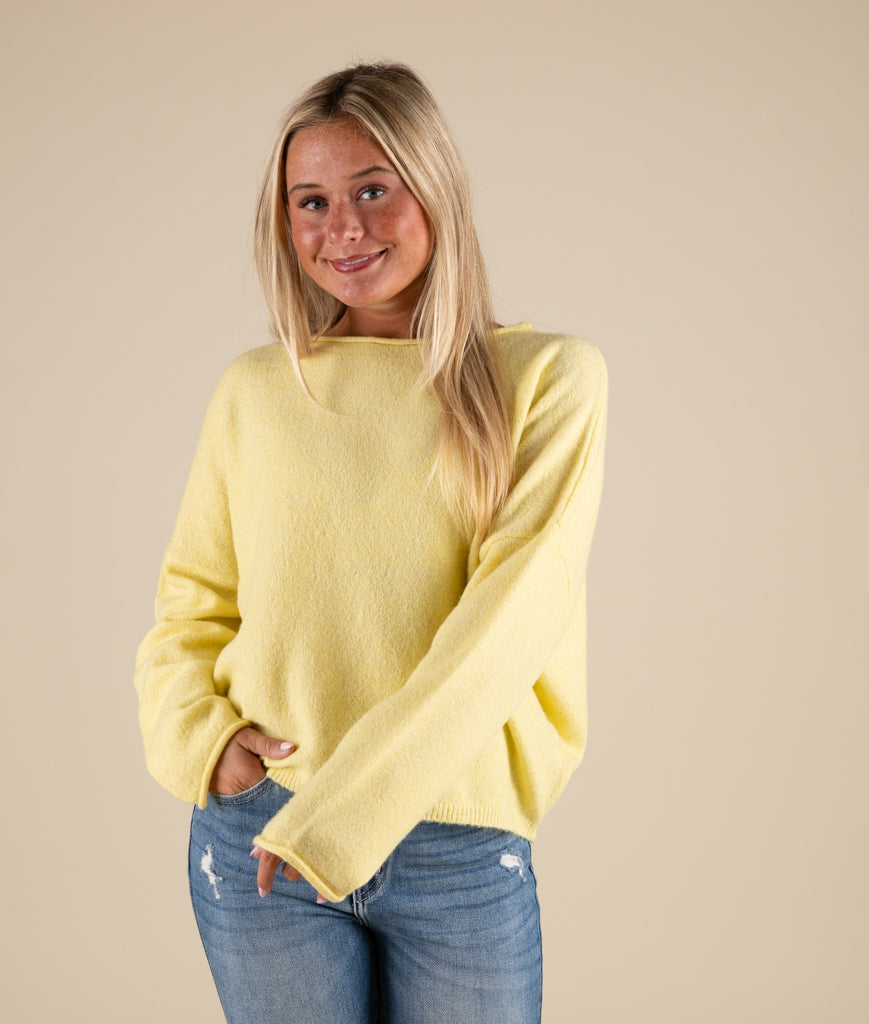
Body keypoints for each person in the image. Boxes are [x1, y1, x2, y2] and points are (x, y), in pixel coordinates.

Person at [134, 61, 607, 1024]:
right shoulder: (257, 391)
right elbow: (190, 604)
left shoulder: (547, 379)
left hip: (456, 846)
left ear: (434, 189)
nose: (340, 227)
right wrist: (203, 739)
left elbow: (510, 624)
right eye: (310, 201)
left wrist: (340, 820)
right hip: (265, 835)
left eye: (372, 190)